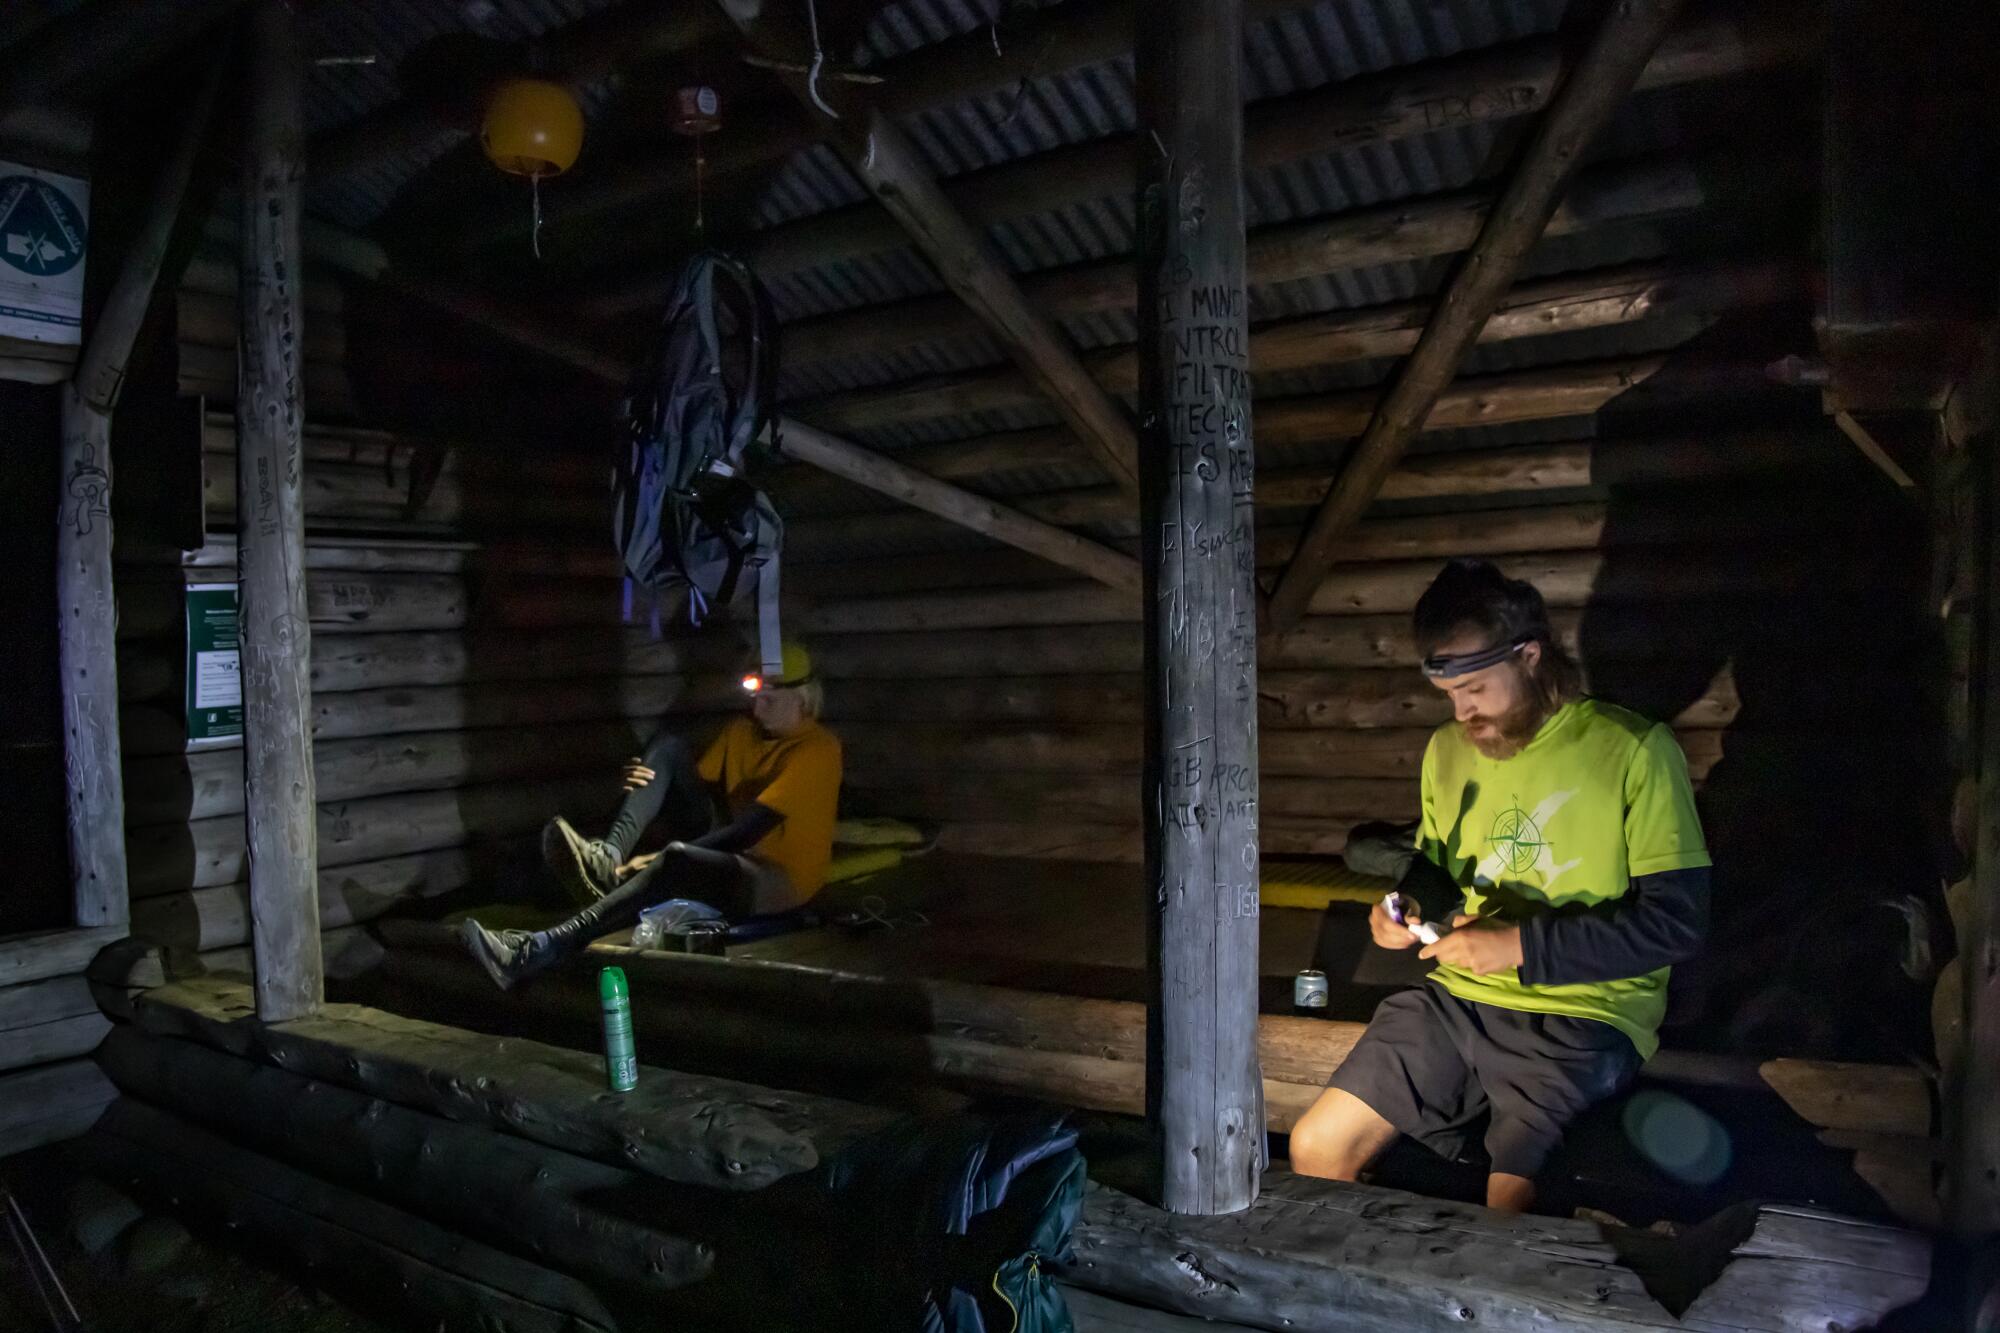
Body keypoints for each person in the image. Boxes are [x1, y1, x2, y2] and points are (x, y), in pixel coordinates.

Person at [1287, 559, 1710, 1214]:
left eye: (1477, 686)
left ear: (1531, 656)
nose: (1463, 711)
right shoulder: (1447, 749)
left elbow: (1676, 924)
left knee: (1509, 1213)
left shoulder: (1634, 751)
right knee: (1317, 1145)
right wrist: (1410, 904)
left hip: (1583, 1012)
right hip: (1459, 999)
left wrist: (1519, 945)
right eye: (1448, 692)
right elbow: (1439, 865)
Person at [458, 641, 843, 990]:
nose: (756, 708)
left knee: (677, 858)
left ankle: (537, 949)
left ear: (803, 698)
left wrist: (659, 859)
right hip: (733, 850)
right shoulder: (742, 731)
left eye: (770, 700)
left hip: (777, 879)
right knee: (668, 750)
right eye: (756, 697)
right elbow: (702, 794)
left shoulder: (818, 751)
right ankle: (608, 857)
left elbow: (745, 833)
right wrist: (641, 778)